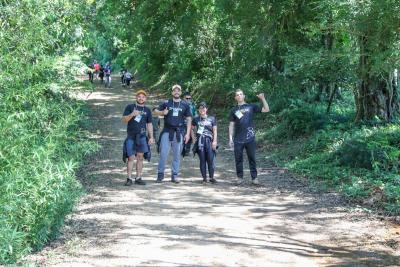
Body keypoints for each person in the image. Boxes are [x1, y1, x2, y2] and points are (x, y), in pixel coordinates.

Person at [228, 89, 269, 185]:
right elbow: (231, 125)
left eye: (240, 94)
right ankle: (240, 178)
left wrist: (263, 99)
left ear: (244, 96)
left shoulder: (251, 106)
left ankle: (254, 178)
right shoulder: (233, 110)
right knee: (238, 159)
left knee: (252, 158)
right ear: (235, 98)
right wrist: (230, 138)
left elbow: (266, 109)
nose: (239, 96)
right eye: (237, 95)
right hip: (238, 139)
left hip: (250, 138)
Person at [153, 84, 192, 183]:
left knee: (177, 155)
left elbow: (189, 119)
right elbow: (154, 111)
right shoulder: (167, 103)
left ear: (181, 92)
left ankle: (174, 175)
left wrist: (187, 134)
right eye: (174, 90)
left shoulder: (185, 105)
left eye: (178, 90)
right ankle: (160, 174)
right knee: (163, 154)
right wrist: (162, 113)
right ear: (172, 92)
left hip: (179, 132)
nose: (176, 92)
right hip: (167, 130)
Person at [122, 89, 155, 186]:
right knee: (131, 157)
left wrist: (151, 137)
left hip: (142, 136)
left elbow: (149, 124)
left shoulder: (147, 110)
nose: (141, 98)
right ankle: (129, 178)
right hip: (131, 136)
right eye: (139, 96)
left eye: (143, 97)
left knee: (140, 157)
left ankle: (139, 177)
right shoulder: (130, 107)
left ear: (145, 98)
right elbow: (124, 120)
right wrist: (132, 114)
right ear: (136, 97)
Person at [191, 102, 218, 184]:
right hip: (200, 142)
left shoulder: (212, 118)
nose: (202, 110)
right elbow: (191, 129)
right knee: (202, 160)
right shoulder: (196, 119)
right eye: (200, 108)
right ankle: (204, 178)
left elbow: (215, 131)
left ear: (206, 109)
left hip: (209, 141)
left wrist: (215, 141)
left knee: (211, 159)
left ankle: (211, 177)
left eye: (204, 108)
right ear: (198, 110)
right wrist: (193, 138)